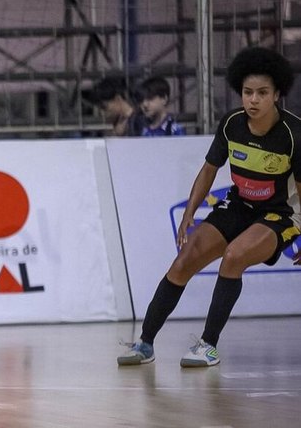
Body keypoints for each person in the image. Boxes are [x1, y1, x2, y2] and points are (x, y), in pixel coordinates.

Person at [117, 46, 300, 368]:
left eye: (262, 93)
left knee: (234, 257)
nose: (253, 100)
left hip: (280, 213)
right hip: (239, 204)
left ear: (277, 95)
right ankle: (145, 344)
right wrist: (190, 212)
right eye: (247, 92)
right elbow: (209, 170)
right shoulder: (231, 124)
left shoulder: (294, 133)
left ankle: (208, 346)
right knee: (183, 261)